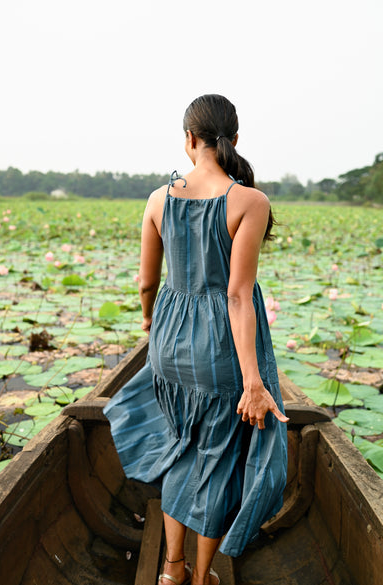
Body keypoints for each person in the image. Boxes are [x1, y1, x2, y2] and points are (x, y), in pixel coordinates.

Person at [104, 94, 289, 585]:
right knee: (217, 459)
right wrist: (253, 380)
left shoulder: (158, 199)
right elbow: (236, 296)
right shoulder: (250, 201)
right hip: (220, 351)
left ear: (188, 138)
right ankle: (202, 575)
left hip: (169, 341)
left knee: (179, 448)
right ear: (233, 138)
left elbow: (147, 283)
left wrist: (149, 322)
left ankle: (170, 571)